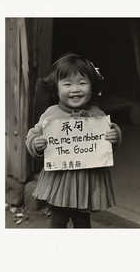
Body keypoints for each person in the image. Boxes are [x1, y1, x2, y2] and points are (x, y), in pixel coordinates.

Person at [25, 52, 122, 228]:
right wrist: (36, 143)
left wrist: (114, 136)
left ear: (92, 87)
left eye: (82, 83)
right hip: (60, 180)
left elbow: (105, 143)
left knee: (82, 220)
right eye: (67, 84)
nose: (75, 89)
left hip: (87, 180)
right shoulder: (51, 114)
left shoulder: (97, 115)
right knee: (58, 219)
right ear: (56, 88)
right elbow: (32, 135)